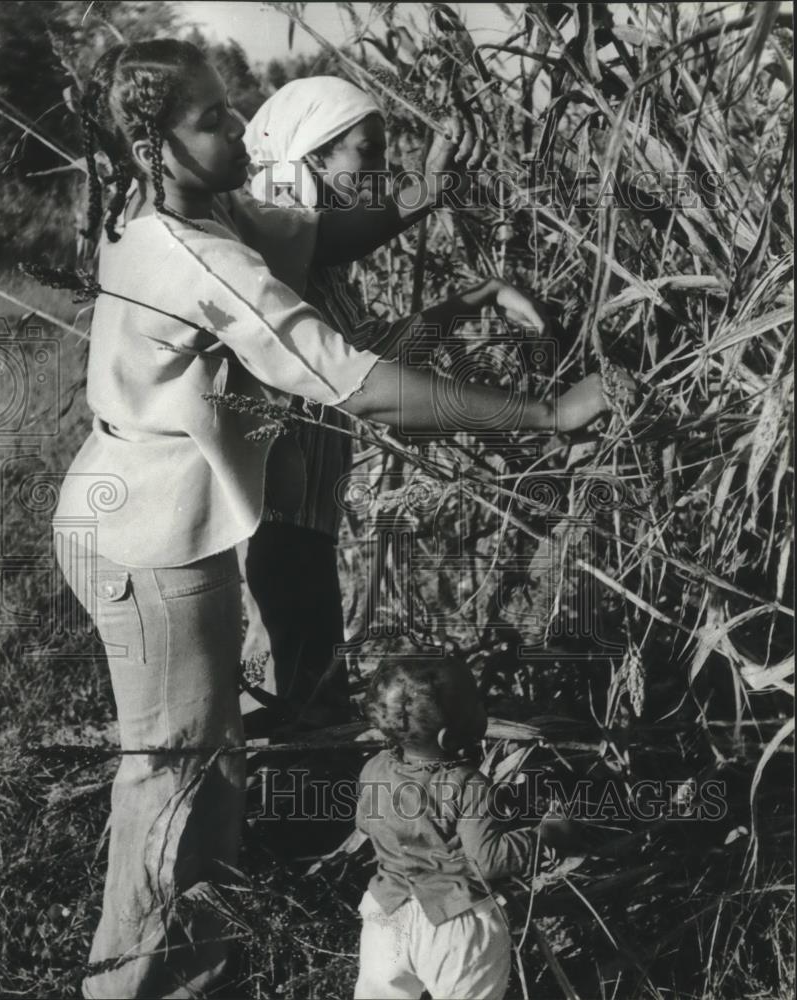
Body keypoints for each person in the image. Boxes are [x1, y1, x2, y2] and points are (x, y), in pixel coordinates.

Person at [53, 39, 609, 999]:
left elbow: (316, 240)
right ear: (156, 145)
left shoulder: (193, 208)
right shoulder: (195, 255)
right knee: (176, 781)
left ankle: (202, 967)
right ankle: (132, 983)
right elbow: (354, 381)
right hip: (148, 539)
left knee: (205, 769)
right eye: (212, 119)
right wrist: (546, 414)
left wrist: (423, 197)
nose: (238, 124)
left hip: (157, 519)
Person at [243, 77, 552, 726]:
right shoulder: (260, 236)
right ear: (310, 157)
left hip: (305, 517)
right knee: (281, 689)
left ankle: (307, 806)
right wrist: (429, 189)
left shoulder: (314, 269)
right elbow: (339, 248)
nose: (381, 171)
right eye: (367, 151)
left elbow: (373, 357)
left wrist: (480, 297)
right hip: (266, 520)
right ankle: (289, 811)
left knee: (310, 686)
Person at [355, 659, 573, 1000]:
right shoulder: (468, 784)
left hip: (387, 916)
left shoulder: (373, 769)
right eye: (476, 703)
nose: (483, 707)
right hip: (456, 925)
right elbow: (487, 859)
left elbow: (365, 823)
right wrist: (544, 836)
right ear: (449, 736)